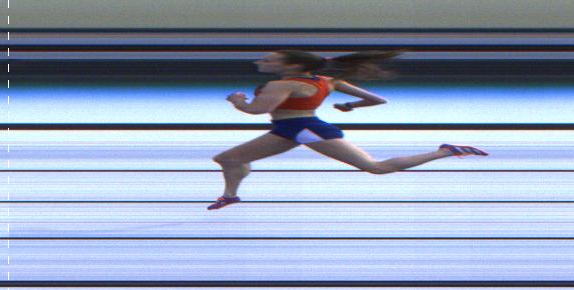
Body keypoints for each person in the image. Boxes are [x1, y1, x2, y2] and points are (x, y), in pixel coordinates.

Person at [208, 50, 487, 210]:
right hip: (289, 129)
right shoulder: (327, 81)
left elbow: (256, 110)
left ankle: (445, 151)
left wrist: (237, 100)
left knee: (376, 168)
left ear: (293, 66)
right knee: (229, 158)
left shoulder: (281, 85)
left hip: (305, 130)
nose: (260, 62)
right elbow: (377, 100)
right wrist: (349, 106)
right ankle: (230, 196)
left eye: (269, 61)